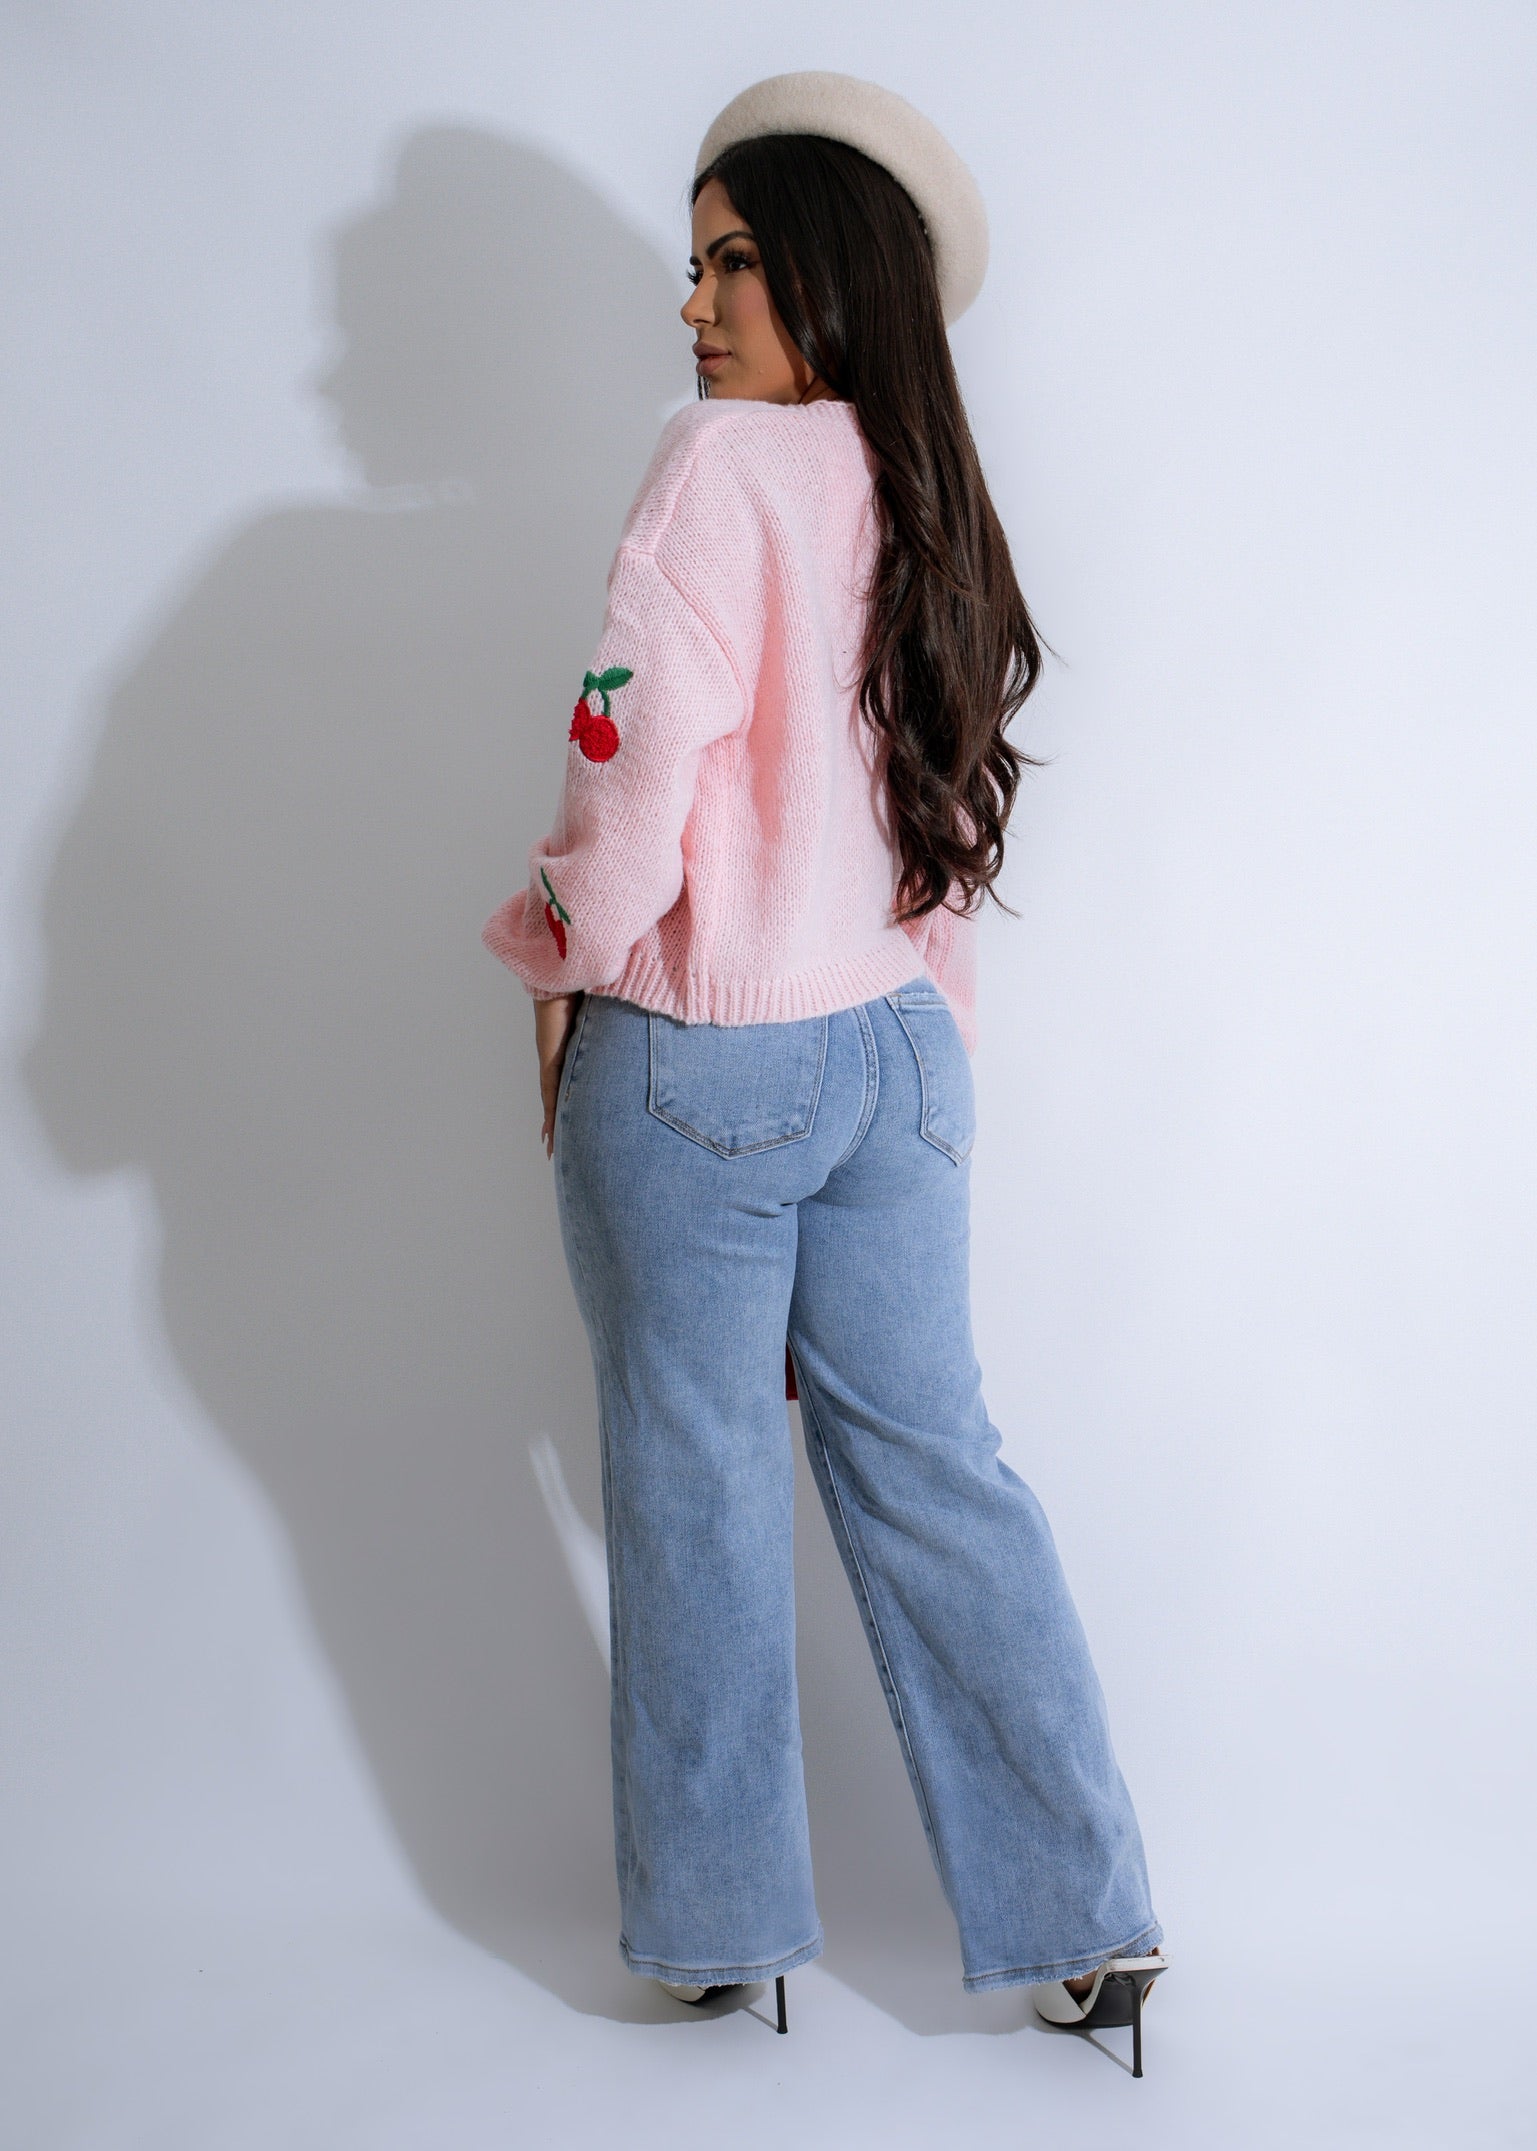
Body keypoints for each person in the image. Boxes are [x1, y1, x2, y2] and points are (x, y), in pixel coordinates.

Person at [482, 70, 1168, 2073]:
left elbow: (630, 772)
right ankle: (1090, 1925)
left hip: (705, 1052)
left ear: (831, 273)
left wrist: (551, 952)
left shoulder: (716, 467)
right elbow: (937, 822)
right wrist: (933, 1052)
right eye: (691, 266)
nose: (695, 306)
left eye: (734, 261)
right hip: (896, 1053)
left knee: (694, 1481)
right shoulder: (924, 484)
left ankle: (719, 1938)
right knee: (936, 1467)